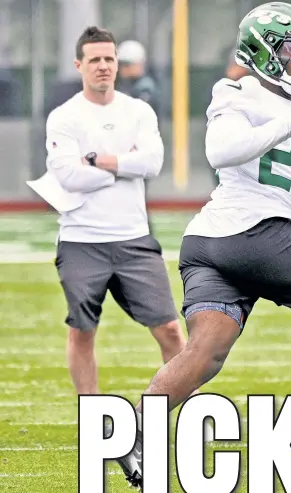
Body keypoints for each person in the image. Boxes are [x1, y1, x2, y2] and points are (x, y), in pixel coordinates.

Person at [114, 3, 291, 488]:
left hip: (211, 243)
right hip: (253, 232)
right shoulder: (239, 90)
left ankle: (134, 431)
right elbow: (220, 150)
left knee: (207, 351)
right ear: (263, 50)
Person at [46, 26, 190, 398]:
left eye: (109, 59)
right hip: (82, 240)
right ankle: (90, 413)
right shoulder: (64, 117)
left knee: (171, 330)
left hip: (133, 238)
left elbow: (153, 163)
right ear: (80, 65)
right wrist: (124, 165)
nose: (103, 66)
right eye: (95, 59)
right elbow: (67, 175)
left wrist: (97, 160)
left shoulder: (137, 111)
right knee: (82, 330)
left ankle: (183, 410)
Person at [115, 39, 160, 236]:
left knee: (135, 197)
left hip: (138, 150)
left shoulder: (144, 88)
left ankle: (144, 238)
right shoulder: (127, 85)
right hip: (128, 150)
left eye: (127, 65)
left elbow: (137, 120)